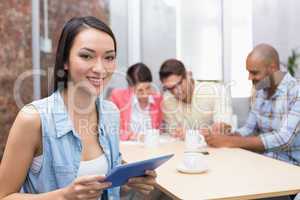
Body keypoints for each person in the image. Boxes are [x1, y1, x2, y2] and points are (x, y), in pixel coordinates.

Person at [0, 16, 156, 200]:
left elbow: (105, 190)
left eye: (109, 57)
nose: (100, 68)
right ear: (65, 61)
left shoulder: (110, 113)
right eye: (86, 56)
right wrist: (64, 196)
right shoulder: (33, 119)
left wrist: (129, 186)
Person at [204, 43, 300, 167]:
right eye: (248, 72)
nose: (249, 78)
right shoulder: (261, 91)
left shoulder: (296, 92)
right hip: (262, 161)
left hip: (290, 168)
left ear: (273, 68)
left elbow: (283, 139)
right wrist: (229, 133)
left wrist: (230, 141)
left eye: (254, 73)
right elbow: (249, 129)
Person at [159, 58, 232, 139]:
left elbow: (225, 128)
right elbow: (173, 132)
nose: (177, 91)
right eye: (171, 88)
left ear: (189, 75)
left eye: (179, 83)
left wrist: (192, 134)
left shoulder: (216, 91)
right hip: (183, 148)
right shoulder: (167, 100)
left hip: (214, 147)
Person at [110, 63, 162, 141]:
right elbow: (112, 130)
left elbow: (160, 129)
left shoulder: (158, 100)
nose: (145, 94)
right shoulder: (117, 97)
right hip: (128, 147)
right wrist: (138, 137)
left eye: (148, 88)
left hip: (152, 145)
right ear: (130, 88)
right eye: (140, 90)